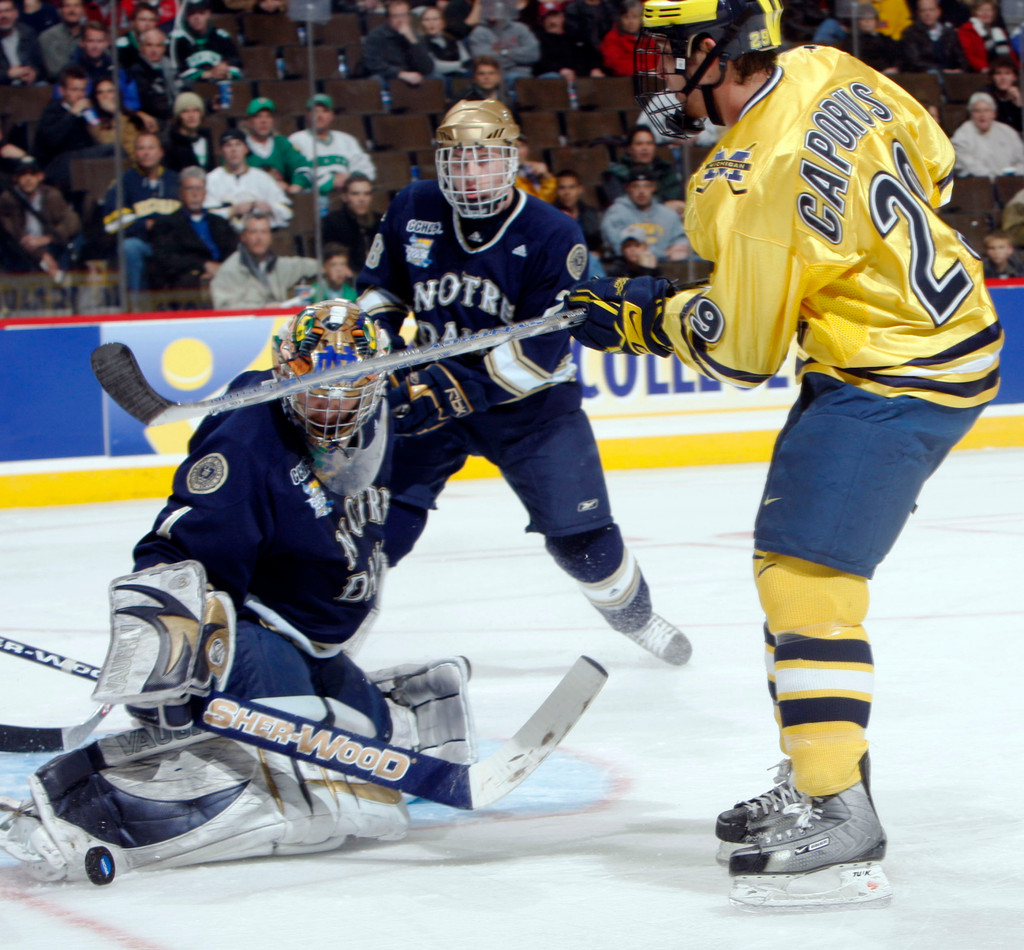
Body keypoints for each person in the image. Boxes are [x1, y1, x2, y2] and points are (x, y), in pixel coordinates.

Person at [568, 0, 1002, 910]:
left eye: (667, 55)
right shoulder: (829, 69)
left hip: (892, 369)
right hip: (937, 331)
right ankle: (819, 774)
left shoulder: (749, 177)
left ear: (706, 52)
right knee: (790, 566)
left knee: (805, 576)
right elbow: (937, 165)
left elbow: (740, 349)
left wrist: (636, 315)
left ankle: (841, 811)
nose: (656, 74)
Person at [0, 301, 475, 883]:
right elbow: (172, 554)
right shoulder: (248, 442)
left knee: (370, 747)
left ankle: (381, 706)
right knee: (313, 792)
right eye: (310, 381)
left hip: (315, 644)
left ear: (376, 379)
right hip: (255, 636)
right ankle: (86, 811)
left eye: (346, 384)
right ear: (284, 371)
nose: (328, 400)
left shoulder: (380, 416)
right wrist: (164, 660)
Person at [356, 98, 691, 665]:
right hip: (429, 394)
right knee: (380, 520)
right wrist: (375, 346)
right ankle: (331, 634)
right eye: (458, 160)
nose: (470, 172)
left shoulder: (552, 232)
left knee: (582, 541)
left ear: (512, 161)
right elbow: (379, 292)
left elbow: (537, 353)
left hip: (533, 412)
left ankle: (635, 617)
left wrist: (447, 386)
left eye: (484, 159)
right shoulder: (413, 206)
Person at [103, 132, 181, 291]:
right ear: (135, 153)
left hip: (173, 241)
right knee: (129, 247)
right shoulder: (124, 182)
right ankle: (137, 307)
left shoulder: (175, 180)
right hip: (142, 242)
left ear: (161, 152)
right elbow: (112, 224)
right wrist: (145, 225)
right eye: (141, 148)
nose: (146, 153)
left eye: (151, 148)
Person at [147, 165, 238, 289]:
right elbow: (167, 259)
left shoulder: (220, 222)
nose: (195, 194)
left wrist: (221, 270)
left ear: (205, 193)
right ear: (180, 193)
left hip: (224, 276)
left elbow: (232, 252)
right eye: (189, 189)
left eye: (199, 189)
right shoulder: (166, 224)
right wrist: (204, 266)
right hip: (189, 281)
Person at [210, 210, 317, 307]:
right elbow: (223, 308)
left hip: (279, 323)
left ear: (270, 237)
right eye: (253, 232)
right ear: (243, 237)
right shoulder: (231, 270)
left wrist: (328, 266)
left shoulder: (277, 264)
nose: (259, 238)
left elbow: (309, 266)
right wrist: (263, 309)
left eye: (264, 232)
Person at [0, 155, 80, 279]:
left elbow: (72, 221)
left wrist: (48, 239)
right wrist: (43, 255)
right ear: (16, 178)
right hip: (24, 251)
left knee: (74, 245)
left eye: (32, 174)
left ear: (40, 176)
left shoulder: (51, 195)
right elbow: (16, 235)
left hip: (50, 243)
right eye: (23, 174)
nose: (28, 179)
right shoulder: (9, 199)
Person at [288, 94, 377, 203]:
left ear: (332, 115)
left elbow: (367, 169)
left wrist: (351, 180)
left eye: (324, 111)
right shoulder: (296, 140)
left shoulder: (347, 140)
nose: (320, 115)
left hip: (349, 196)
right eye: (315, 111)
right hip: (316, 198)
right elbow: (298, 176)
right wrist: (330, 182)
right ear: (308, 115)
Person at [205, 128, 293, 231]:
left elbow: (287, 211)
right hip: (225, 236)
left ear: (246, 149)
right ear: (221, 151)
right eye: (228, 145)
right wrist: (232, 211)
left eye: (238, 144)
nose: (233, 149)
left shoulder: (262, 177)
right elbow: (205, 215)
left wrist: (270, 208)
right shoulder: (211, 179)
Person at [600, 168, 691, 262]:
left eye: (646, 186)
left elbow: (680, 237)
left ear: (653, 187)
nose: (641, 191)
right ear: (627, 188)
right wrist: (662, 254)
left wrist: (680, 247)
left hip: (666, 268)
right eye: (635, 186)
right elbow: (619, 247)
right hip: (629, 269)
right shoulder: (616, 213)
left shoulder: (668, 214)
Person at [602, 124, 685, 215]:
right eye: (639, 144)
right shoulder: (615, 174)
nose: (645, 148)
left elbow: (676, 196)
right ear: (629, 149)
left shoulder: (666, 170)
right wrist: (662, 206)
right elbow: (622, 205)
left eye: (649, 143)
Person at [243, 97, 313, 195]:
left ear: (273, 121)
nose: (264, 121)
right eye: (258, 116)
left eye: (268, 116)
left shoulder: (281, 143)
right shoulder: (239, 146)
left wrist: (297, 185)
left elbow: (303, 167)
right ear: (248, 122)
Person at [363, 0, 436, 89]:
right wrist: (400, 74)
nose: (400, 20)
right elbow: (373, 64)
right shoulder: (376, 36)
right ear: (388, 19)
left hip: (412, 75)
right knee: (376, 81)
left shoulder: (415, 36)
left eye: (404, 15)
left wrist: (412, 40)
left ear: (409, 17)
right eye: (396, 16)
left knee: (437, 78)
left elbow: (427, 68)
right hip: (388, 76)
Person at [466, 1, 540, 88]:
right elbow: (483, 59)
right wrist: (516, 60)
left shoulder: (520, 29)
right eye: (488, 8)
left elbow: (533, 54)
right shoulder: (479, 32)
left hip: (523, 76)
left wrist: (504, 53)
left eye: (494, 7)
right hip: (493, 77)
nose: (491, 10)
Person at [950, 91, 1024, 177]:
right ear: (971, 114)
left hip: (1010, 181)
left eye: (986, 110)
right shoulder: (962, 135)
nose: (982, 115)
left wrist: (1014, 172)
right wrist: (993, 176)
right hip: (979, 184)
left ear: (993, 114)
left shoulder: (1008, 132)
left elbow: (1021, 159)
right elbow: (967, 165)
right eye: (977, 111)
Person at [171, 0, 242, 86]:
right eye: (191, 14)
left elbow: (237, 67)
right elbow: (177, 72)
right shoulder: (178, 40)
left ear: (208, 14)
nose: (196, 17)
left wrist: (225, 71)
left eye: (201, 13)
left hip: (220, 86)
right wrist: (207, 74)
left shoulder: (221, 37)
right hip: (191, 89)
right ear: (186, 16)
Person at [322, 172, 382, 272]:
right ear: (344, 196)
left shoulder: (381, 221)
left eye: (366, 194)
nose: (361, 199)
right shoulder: (332, 223)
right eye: (355, 194)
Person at [532, 1, 604, 81]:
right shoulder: (537, 39)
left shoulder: (576, 37)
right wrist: (560, 70)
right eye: (546, 17)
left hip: (583, 77)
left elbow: (593, 55)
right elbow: (540, 62)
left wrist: (595, 68)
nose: (551, 21)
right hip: (554, 78)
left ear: (563, 17)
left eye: (555, 16)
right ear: (541, 21)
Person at [552, 168, 604, 275]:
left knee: (592, 259)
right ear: (556, 190)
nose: (567, 193)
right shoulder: (551, 215)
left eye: (572, 187)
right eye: (562, 188)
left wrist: (598, 252)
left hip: (586, 258)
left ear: (580, 189)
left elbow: (597, 240)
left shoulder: (590, 213)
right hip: (560, 259)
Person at [899, 0, 971, 73]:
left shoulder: (949, 33)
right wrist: (941, 70)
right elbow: (914, 60)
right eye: (923, 11)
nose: (927, 14)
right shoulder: (911, 33)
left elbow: (961, 57)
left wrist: (960, 69)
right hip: (923, 75)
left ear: (939, 11)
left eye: (931, 10)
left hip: (951, 76)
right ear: (918, 13)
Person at [129, 27, 179, 127]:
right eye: (149, 45)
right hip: (151, 121)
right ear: (141, 47)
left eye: (158, 45)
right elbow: (150, 102)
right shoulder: (136, 70)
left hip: (173, 118)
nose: (154, 50)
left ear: (164, 48)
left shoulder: (171, 67)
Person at [163, 91, 216, 172]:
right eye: (185, 111)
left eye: (195, 110)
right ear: (179, 116)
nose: (191, 115)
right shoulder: (171, 143)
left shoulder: (206, 139)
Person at [957, 0, 1015, 72]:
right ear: (975, 12)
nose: (985, 13)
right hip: (978, 72)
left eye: (989, 10)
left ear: (994, 13)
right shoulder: (967, 30)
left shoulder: (1000, 32)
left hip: (1000, 71)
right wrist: (985, 68)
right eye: (981, 10)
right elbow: (969, 55)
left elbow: (1011, 55)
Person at [420, 4, 471, 84]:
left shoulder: (453, 40)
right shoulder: (421, 42)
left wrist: (462, 66)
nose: (431, 23)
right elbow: (434, 66)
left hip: (457, 76)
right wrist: (459, 65)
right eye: (427, 20)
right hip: (436, 78)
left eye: (435, 19)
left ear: (442, 22)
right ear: (422, 23)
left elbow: (466, 60)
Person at [38, 0, 85, 82]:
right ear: (60, 10)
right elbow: (54, 72)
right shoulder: (48, 37)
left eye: (76, 6)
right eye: (67, 6)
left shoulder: (89, 35)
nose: (72, 10)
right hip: (56, 86)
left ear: (83, 11)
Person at [0, 0, 44, 87]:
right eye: (0, 12)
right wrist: (8, 75)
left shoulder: (28, 33)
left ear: (16, 13)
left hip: (29, 86)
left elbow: (41, 67)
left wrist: (34, 73)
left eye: (7, 11)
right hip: (3, 89)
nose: (4, 16)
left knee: (43, 85)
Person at [600, 0, 643, 77]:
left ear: (641, 19)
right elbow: (614, 63)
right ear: (620, 19)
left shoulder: (650, 38)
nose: (631, 21)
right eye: (626, 17)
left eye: (635, 17)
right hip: (621, 82)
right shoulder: (612, 38)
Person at [115, 0, 160, 73]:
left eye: (151, 20)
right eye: (143, 20)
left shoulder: (162, 42)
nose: (147, 24)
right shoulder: (122, 46)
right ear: (133, 22)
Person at [983, 55, 1022, 130]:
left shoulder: (1019, 94)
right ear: (992, 77)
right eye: (998, 73)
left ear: (1015, 77)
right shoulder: (985, 95)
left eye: (1007, 73)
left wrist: (1019, 105)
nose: (1003, 77)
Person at [515, 135, 556, 201]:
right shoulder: (506, 174)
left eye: (522, 146)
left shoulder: (537, 168)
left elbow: (549, 198)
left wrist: (546, 176)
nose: (518, 152)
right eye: (515, 147)